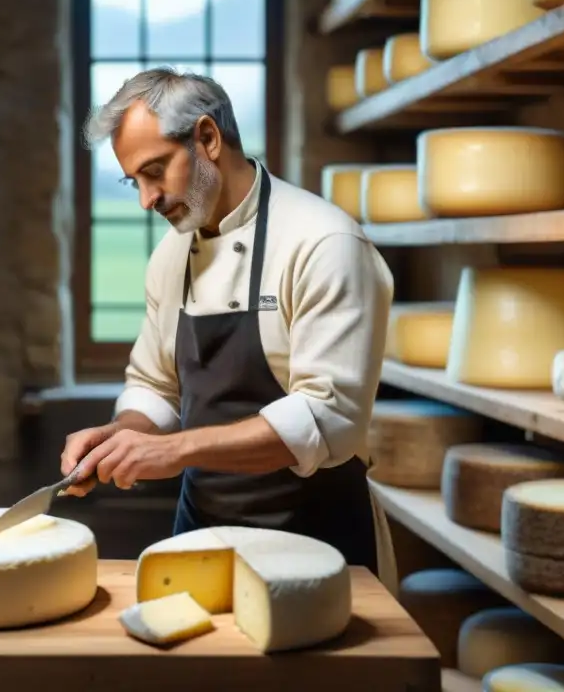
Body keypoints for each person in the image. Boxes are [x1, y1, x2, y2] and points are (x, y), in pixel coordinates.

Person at [60, 67, 393, 569]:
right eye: (134, 182)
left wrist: (176, 451)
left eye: (155, 171)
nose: (147, 199)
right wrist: (122, 435)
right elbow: (156, 386)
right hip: (203, 534)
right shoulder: (170, 259)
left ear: (208, 139)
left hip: (316, 540)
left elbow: (327, 419)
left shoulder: (323, 243)